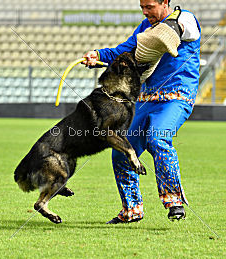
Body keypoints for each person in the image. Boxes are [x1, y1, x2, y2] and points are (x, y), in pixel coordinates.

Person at [83, 0, 201, 224]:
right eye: (142, 8)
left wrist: (163, 33)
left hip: (176, 97)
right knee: (121, 151)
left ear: (165, 2)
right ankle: (132, 210)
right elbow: (121, 52)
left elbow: (180, 27)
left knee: (157, 138)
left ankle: (174, 199)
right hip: (145, 100)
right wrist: (97, 55)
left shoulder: (186, 18)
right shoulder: (144, 28)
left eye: (149, 7)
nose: (145, 12)